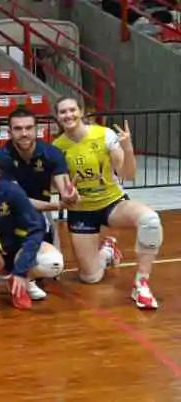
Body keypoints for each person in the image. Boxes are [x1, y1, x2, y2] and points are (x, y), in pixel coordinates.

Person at [52, 97, 161, 309]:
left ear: (81, 112)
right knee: (90, 277)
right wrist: (68, 194)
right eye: (63, 112)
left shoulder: (104, 135)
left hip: (112, 203)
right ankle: (108, 251)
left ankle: (141, 284)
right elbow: (59, 187)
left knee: (150, 220)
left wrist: (127, 148)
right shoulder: (57, 148)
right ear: (57, 117)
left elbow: (128, 175)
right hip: (81, 211)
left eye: (72, 110)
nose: (68, 115)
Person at [0, 107, 113, 301]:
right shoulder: (3, 157)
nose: (24, 133)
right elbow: (20, 202)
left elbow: (64, 188)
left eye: (28, 128)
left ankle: (106, 252)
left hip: (42, 213)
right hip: (11, 212)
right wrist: (57, 206)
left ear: (36, 129)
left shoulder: (52, 153)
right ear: (9, 132)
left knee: (53, 267)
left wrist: (70, 196)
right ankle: (16, 273)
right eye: (18, 129)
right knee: (3, 261)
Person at [0, 149, 65, 310]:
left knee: (54, 263)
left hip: (19, 250)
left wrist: (21, 270)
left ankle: (21, 281)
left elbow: (37, 228)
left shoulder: (12, 192)